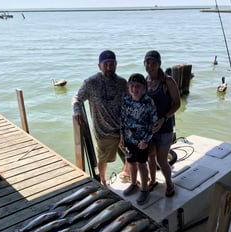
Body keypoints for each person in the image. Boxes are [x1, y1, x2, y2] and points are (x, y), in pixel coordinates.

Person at [72, 50, 128, 186]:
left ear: (116, 64)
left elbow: (128, 106)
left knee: (131, 154)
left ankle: (126, 173)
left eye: (112, 64)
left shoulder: (122, 83)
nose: (109, 68)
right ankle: (103, 181)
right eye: (106, 64)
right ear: (99, 66)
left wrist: (125, 130)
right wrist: (77, 110)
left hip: (122, 128)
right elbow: (77, 98)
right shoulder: (90, 83)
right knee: (103, 159)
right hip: (103, 131)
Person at [144, 50, 181, 197]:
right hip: (149, 129)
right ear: (144, 64)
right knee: (150, 156)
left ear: (159, 64)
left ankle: (169, 184)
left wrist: (164, 118)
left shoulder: (167, 81)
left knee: (161, 160)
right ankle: (152, 180)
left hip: (164, 127)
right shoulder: (144, 82)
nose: (150, 65)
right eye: (148, 62)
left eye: (154, 63)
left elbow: (177, 104)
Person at [120, 73, 158, 205]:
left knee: (142, 164)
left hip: (142, 141)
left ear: (144, 88)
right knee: (131, 162)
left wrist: (146, 140)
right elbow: (123, 119)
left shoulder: (149, 102)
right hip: (129, 139)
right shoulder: (126, 100)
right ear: (128, 87)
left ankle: (144, 189)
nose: (134, 89)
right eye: (131, 86)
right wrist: (122, 136)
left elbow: (153, 123)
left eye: (138, 86)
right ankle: (133, 184)